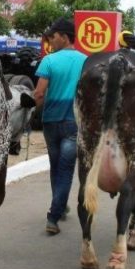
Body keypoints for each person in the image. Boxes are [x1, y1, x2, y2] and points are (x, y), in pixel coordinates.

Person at [33, 18, 86, 235]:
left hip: (50, 122)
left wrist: (34, 112)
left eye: (53, 37)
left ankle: (54, 215)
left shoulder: (49, 61)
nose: (50, 41)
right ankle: (59, 208)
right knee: (64, 170)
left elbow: (39, 93)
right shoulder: (87, 61)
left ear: (64, 36)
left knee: (56, 168)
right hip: (74, 123)